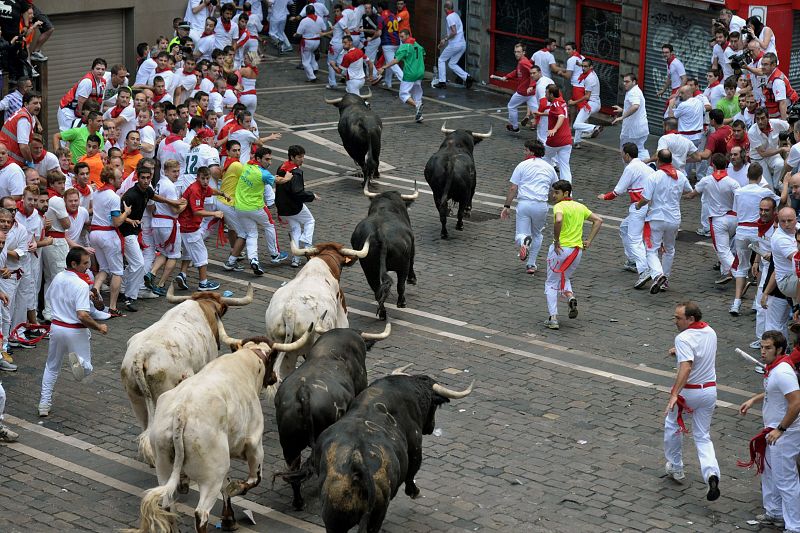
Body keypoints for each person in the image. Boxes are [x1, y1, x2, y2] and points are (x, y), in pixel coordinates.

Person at [738, 330, 800, 530]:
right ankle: (774, 513)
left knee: (785, 480)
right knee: (770, 473)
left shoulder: (782, 372)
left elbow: (796, 403)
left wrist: (780, 429)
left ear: (780, 349)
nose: (762, 352)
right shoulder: (775, 368)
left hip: (784, 433)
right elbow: (772, 390)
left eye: (768, 348)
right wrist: (754, 400)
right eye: (762, 347)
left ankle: (794, 526)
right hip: (773, 431)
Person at [37, 246, 108, 417]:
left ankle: (44, 404)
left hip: (56, 327)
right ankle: (79, 362)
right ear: (74, 263)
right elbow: (82, 315)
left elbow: (49, 297)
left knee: (51, 366)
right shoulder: (81, 284)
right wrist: (99, 327)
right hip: (75, 331)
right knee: (87, 369)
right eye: (85, 263)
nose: (88, 267)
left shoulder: (59, 277)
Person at [663, 302, 721, 501]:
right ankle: (711, 474)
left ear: (691, 319)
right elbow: (699, 353)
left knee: (673, 425)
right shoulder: (711, 332)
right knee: (703, 436)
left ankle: (676, 467)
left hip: (689, 393)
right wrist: (677, 351)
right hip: (709, 391)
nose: (675, 321)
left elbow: (686, 368)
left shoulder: (683, 338)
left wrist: (674, 394)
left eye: (678, 318)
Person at [542, 179, 602, 330]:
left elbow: (559, 220)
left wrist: (556, 240)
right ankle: (570, 297)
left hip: (560, 250)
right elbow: (598, 220)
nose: (553, 195)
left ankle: (553, 317)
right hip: (576, 252)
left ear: (566, 193)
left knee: (551, 282)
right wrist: (589, 240)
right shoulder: (580, 206)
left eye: (556, 192)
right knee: (565, 277)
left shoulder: (559, 206)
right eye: (553, 192)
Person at [597, 142, 655, 288]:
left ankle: (643, 270)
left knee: (635, 239)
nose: (622, 156)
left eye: (623, 153)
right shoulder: (645, 166)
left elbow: (618, 191)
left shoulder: (631, 168)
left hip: (637, 207)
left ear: (627, 155)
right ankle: (632, 260)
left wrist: (605, 196)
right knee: (624, 228)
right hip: (648, 206)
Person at [636, 149, 693, 294]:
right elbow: (689, 190)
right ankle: (665, 280)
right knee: (669, 249)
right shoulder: (680, 176)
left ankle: (657, 274)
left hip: (656, 218)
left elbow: (646, 199)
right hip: (674, 219)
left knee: (651, 250)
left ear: (658, 161)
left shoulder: (654, 177)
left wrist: (638, 205)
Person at [500, 139, 557, 275]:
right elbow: (554, 187)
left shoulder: (522, 165)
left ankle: (524, 242)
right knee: (537, 234)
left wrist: (507, 205)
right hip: (541, 205)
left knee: (520, 234)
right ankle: (531, 264)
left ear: (531, 151)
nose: (523, 152)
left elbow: (514, 188)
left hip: (524, 203)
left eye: (525, 150)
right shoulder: (549, 167)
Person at [731, 164, 779, 316]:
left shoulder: (739, 192)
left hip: (741, 231)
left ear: (747, 176)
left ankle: (736, 302)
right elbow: (781, 200)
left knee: (741, 267)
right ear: (760, 176)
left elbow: (736, 211)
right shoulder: (765, 192)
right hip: (757, 231)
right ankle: (756, 302)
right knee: (761, 267)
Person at [234, 147, 290, 274]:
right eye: (267, 159)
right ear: (258, 159)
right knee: (269, 225)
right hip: (256, 207)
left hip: (240, 207)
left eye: (270, 159)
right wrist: (287, 177)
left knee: (252, 234)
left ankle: (253, 259)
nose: (269, 162)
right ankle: (275, 254)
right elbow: (280, 181)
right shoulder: (263, 174)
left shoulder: (248, 165)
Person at [692, 153, 741, 284]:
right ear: (726, 165)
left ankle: (739, 275)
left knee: (722, 249)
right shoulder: (733, 182)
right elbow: (741, 199)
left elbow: (692, 194)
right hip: (733, 219)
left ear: (712, 165)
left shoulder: (706, 180)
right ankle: (726, 272)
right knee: (727, 247)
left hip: (718, 221)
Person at [177, 165, 225, 291]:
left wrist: (222, 193)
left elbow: (210, 190)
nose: (205, 181)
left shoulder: (201, 187)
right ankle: (203, 283)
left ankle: (182, 274)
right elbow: (197, 211)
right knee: (201, 255)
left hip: (186, 226)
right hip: (190, 227)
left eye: (207, 179)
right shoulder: (195, 190)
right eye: (203, 178)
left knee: (188, 252)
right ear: (197, 177)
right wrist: (214, 213)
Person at [276, 145, 318, 268]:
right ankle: (307, 246)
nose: (302, 159)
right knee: (310, 221)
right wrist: (312, 195)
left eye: (303, 156)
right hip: (294, 206)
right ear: (292, 157)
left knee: (295, 228)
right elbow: (298, 192)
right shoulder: (296, 172)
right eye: (299, 157)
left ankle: (296, 258)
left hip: (283, 207)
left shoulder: (281, 167)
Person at [380, 29, 425, 123]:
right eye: (400, 37)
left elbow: (396, 60)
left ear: (408, 35)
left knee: (403, 94)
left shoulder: (405, 47)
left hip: (410, 73)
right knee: (417, 92)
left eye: (402, 37)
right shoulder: (417, 45)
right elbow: (423, 55)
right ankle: (419, 115)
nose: (401, 39)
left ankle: (417, 106)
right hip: (420, 72)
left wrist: (384, 67)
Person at [491, 44, 533, 133]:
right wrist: (507, 77)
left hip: (523, 91)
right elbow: (517, 71)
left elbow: (533, 72)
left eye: (519, 52)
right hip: (531, 93)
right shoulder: (522, 61)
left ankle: (514, 127)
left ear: (524, 53)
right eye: (515, 52)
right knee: (537, 113)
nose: (516, 54)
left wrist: (531, 86)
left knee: (511, 106)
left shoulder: (523, 62)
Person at [57, 58, 107, 132]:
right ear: (92, 69)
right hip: (69, 111)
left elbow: (99, 101)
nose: (100, 71)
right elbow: (81, 102)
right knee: (67, 136)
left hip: (82, 112)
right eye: (98, 69)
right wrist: (82, 117)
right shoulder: (87, 82)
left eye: (103, 69)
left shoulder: (103, 82)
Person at [433, 1, 473, 90]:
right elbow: (455, 31)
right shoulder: (456, 15)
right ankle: (467, 77)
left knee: (441, 60)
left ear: (445, 9)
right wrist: (444, 40)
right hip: (462, 44)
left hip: (455, 45)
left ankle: (442, 82)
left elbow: (454, 32)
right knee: (452, 63)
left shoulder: (449, 17)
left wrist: (445, 39)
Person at [749, 107, 790, 193]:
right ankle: (774, 187)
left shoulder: (776, 123)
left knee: (780, 165)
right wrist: (781, 149)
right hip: (758, 160)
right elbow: (763, 153)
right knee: (769, 190)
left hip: (773, 155)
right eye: (757, 119)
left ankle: (776, 184)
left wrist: (789, 140)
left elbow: (790, 126)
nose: (760, 121)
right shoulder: (751, 132)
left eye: (763, 118)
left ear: (768, 118)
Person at [612, 73, 649, 160]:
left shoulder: (633, 92)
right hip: (641, 129)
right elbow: (635, 107)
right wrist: (623, 110)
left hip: (632, 131)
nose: (624, 83)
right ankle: (649, 167)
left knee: (626, 153)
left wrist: (622, 117)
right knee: (640, 150)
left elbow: (635, 106)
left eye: (627, 82)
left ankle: (629, 171)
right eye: (624, 81)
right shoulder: (636, 91)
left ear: (634, 82)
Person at [0, 90, 41, 165]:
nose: (38, 106)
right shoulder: (24, 119)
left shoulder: (24, 114)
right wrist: (30, 161)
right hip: (9, 161)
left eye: (39, 103)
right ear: (26, 104)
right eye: (35, 103)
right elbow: (24, 147)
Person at [569, 58, 603, 148]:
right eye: (582, 66)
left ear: (591, 67)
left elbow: (587, 96)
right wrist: (580, 64)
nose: (583, 68)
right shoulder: (591, 72)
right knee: (580, 120)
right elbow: (585, 65)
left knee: (576, 124)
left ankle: (594, 128)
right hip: (593, 103)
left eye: (585, 67)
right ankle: (576, 142)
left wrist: (574, 102)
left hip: (591, 104)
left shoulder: (589, 79)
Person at [543, 84, 573, 183]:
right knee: (565, 166)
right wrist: (542, 114)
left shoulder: (555, 103)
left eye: (546, 93)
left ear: (551, 94)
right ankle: (568, 192)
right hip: (567, 140)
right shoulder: (561, 101)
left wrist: (554, 129)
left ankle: (550, 181)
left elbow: (560, 116)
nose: (545, 95)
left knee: (544, 158)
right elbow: (557, 113)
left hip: (555, 140)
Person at [760, 52, 798, 121]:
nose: (762, 67)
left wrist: (784, 123)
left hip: (781, 117)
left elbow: (782, 103)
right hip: (775, 117)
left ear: (774, 65)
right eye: (762, 64)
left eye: (765, 64)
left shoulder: (777, 81)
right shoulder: (769, 75)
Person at [294, 5, 327, 83]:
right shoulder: (320, 19)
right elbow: (324, 29)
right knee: (311, 54)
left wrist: (295, 35)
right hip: (317, 41)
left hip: (307, 42)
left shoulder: (304, 20)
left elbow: (299, 34)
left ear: (306, 12)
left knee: (305, 61)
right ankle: (315, 68)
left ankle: (312, 77)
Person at [377, 1, 403, 89]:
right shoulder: (393, 15)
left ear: (380, 8)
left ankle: (405, 81)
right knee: (389, 63)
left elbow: (379, 32)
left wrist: (372, 38)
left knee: (393, 64)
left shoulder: (381, 17)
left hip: (387, 44)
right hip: (397, 42)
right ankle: (388, 82)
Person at [657, 44, 686, 113]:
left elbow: (684, 78)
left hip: (678, 91)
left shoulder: (677, 63)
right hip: (674, 90)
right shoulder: (669, 63)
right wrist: (663, 90)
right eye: (663, 52)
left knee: (669, 113)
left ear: (672, 53)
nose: (664, 54)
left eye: (666, 52)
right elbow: (669, 78)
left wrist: (677, 93)